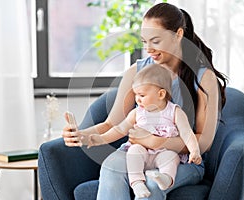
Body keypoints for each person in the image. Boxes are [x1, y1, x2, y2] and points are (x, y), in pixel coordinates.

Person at [62, 2, 227, 200]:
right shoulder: (137, 71)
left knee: (152, 183)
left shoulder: (203, 77)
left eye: (155, 41)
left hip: (183, 160)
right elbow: (112, 123)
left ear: (178, 35)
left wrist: (158, 141)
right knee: (111, 168)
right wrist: (80, 134)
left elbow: (204, 141)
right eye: (144, 41)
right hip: (139, 153)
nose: (149, 49)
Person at [78, 64, 202, 198]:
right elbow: (119, 129)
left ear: (161, 94)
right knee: (134, 152)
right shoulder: (137, 113)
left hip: (164, 152)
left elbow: (187, 133)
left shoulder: (175, 112)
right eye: (136, 94)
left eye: (142, 95)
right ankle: (137, 182)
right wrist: (100, 139)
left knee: (171, 158)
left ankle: (166, 179)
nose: (137, 99)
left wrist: (194, 151)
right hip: (142, 152)